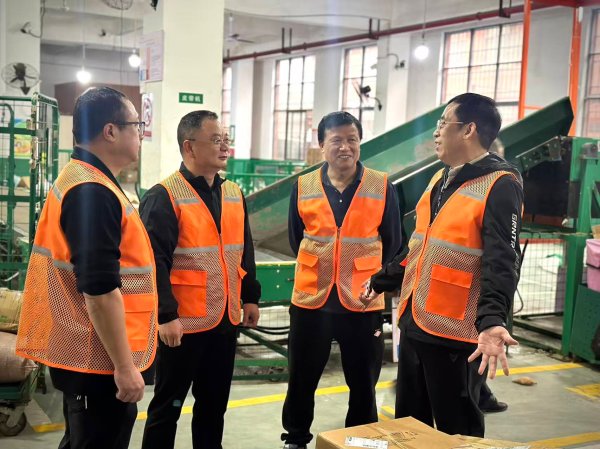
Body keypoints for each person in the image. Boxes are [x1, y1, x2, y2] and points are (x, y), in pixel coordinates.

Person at [369, 93, 523, 437]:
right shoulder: (440, 179)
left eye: (443, 123)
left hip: (455, 333)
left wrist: (492, 320)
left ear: (468, 130)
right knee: (411, 426)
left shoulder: (500, 184)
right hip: (415, 321)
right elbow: (420, 245)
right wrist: (383, 279)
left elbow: (503, 259)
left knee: (458, 429)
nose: (436, 132)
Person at [16, 87, 157, 449]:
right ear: (110, 131)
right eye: (135, 125)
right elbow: (99, 290)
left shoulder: (85, 180)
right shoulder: (92, 191)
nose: (140, 134)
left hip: (89, 349)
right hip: (97, 358)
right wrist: (124, 367)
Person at [140, 110, 261, 449]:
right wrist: (165, 315)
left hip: (224, 320)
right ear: (189, 147)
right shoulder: (164, 196)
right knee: (167, 406)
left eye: (226, 140)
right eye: (216, 140)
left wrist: (251, 296)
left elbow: (244, 249)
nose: (225, 147)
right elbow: (153, 262)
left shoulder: (233, 193)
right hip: (182, 325)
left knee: (213, 405)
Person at [281, 111, 402, 449]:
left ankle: (360, 440)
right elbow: (295, 238)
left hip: (362, 300)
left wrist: (374, 280)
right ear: (322, 145)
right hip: (311, 301)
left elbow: (393, 243)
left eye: (352, 140)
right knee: (301, 379)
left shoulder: (381, 185)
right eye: (336, 140)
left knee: (363, 382)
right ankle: (296, 438)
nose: (345, 147)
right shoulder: (303, 185)